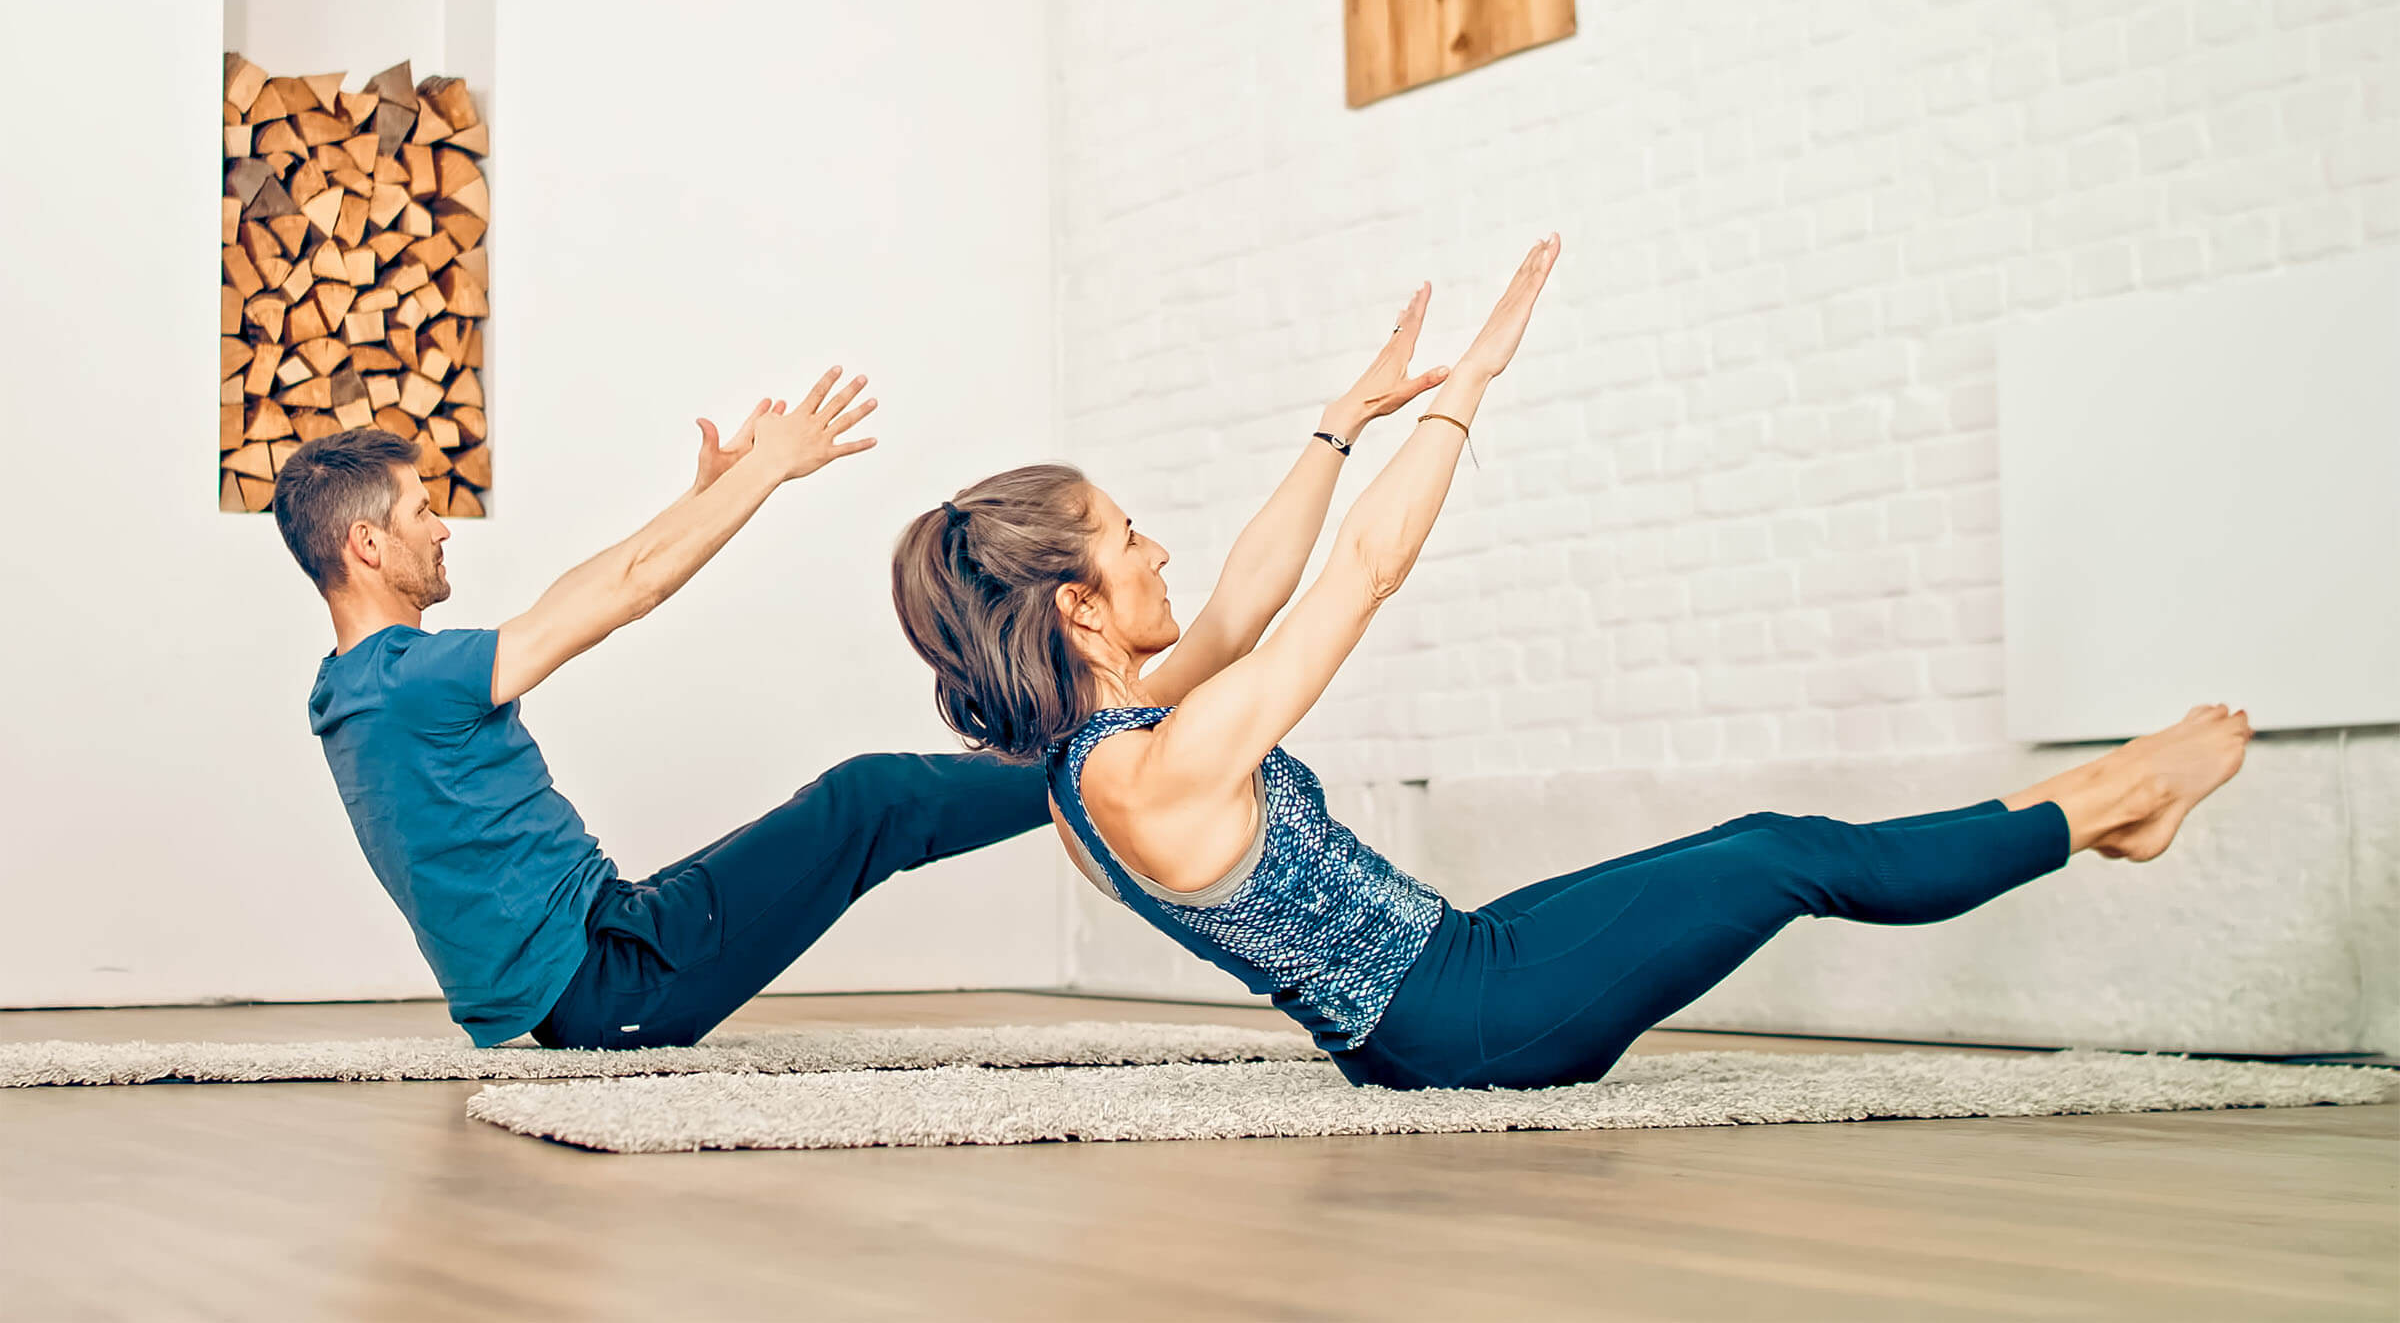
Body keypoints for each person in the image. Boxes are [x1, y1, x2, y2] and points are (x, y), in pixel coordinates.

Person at [890, 236, 2255, 1090]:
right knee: (1785, 852)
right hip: (1474, 1023)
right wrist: (1474, 384)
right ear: (1077, 607)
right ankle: (2107, 807)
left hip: (1446, 985)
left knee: (1743, 843)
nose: (1162, 551)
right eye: (1132, 542)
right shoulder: (1158, 767)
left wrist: (1336, 427)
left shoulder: (1099, 767)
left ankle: (2103, 807)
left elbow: (1246, 604)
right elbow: (1358, 578)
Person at [276, 370, 1048, 1049]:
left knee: (841, 801)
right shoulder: (410, 681)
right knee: (873, 798)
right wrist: (770, 470)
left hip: (607, 946)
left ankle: (1087, 755)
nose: (443, 527)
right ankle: (1095, 762)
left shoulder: (352, 685)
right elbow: (629, 590)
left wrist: (703, 494)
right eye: (420, 513)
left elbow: (586, 588)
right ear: (367, 545)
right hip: (609, 989)